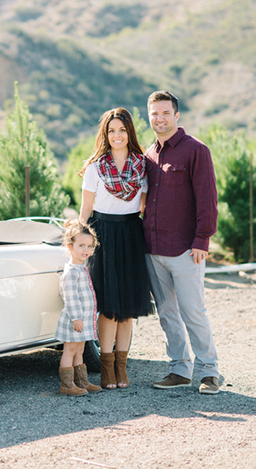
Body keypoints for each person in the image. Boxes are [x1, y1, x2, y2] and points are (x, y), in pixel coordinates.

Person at [143, 90, 220, 394]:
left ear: (176, 116)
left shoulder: (195, 150)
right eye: (154, 114)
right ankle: (179, 369)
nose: (159, 119)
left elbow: (207, 198)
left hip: (187, 249)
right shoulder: (149, 155)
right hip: (154, 248)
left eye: (165, 113)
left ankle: (209, 372)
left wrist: (203, 238)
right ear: (149, 117)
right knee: (167, 312)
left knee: (193, 311)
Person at [78, 107, 154, 390]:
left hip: (131, 233)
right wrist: (77, 242)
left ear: (129, 132)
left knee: (128, 309)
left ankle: (122, 369)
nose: (117, 135)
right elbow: (85, 210)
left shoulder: (142, 166)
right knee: (108, 307)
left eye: (122, 130)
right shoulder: (95, 167)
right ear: (105, 134)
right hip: (103, 235)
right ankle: (107, 369)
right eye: (111, 130)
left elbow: (145, 207)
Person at [55, 220, 102, 396]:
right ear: (69, 246)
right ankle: (67, 385)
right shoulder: (71, 272)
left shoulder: (81, 268)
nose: (86, 250)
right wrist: (76, 318)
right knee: (70, 350)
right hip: (75, 320)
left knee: (80, 350)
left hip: (83, 320)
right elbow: (71, 297)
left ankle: (81, 381)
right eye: (81, 245)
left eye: (89, 246)